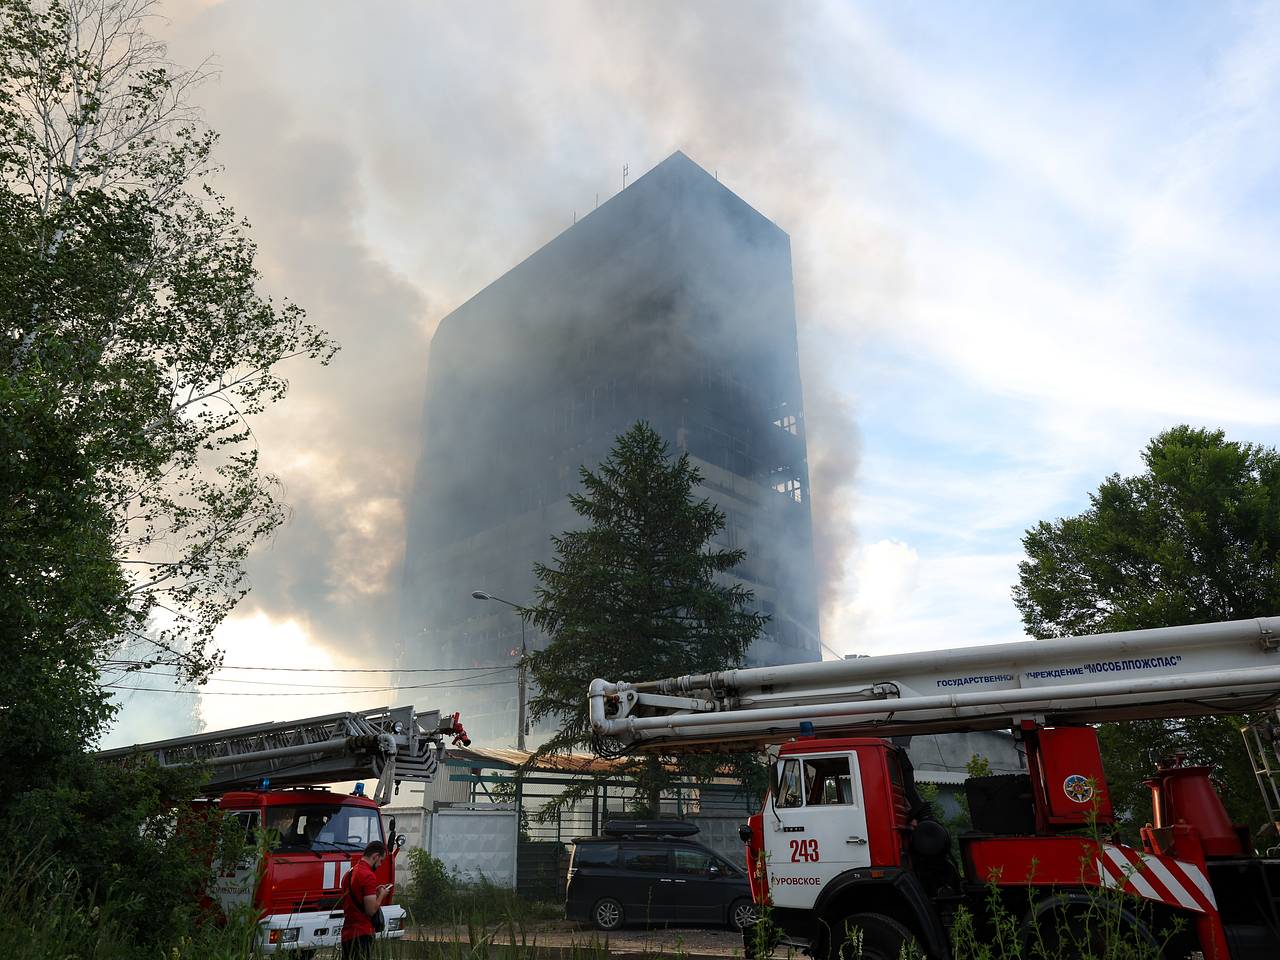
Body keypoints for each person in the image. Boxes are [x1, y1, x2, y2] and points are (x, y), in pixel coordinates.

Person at [341, 840, 393, 959]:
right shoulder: (368, 875)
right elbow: (370, 910)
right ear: (375, 856)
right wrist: (381, 895)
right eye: (381, 861)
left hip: (347, 934)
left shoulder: (350, 873)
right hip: (362, 933)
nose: (380, 865)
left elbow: (356, 897)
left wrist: (374, 891)